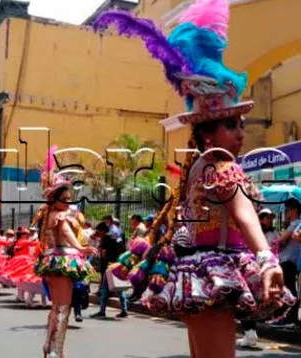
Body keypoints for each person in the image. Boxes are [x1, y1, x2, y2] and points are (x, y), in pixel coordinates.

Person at [95, 1, 295, 356]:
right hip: (215, 270)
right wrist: (266, 257)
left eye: (241, 125)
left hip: (204, 270)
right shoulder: (219, 165)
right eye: (231, 125)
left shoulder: (197, 169)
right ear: (208, 133)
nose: (240, 134)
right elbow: (243, 212)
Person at [35, 146, 95, 357]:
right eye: (66, 200)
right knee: (63, 308)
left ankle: (49, 346)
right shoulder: (59, 216)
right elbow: (67, 232)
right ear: (56, 199)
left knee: (56, 307)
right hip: (63, 259)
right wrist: (81, 247)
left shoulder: (48, 213)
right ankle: (57, 352)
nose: (69, 203)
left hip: (53, 260)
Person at [237, 208, 280, 348]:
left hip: (263, 270)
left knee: (254, 302)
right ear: (260, 219)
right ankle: (249, 332)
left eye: (270, 217)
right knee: (247, 300)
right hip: (250, 269)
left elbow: (274, 251)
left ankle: (250, 332)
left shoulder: (273, 233)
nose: (269, 220)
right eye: (265, 217)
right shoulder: (253, 232)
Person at [270, 198, 300, 328]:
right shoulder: (293, 224)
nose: (285, 212)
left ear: (294, 210)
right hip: (289, 260)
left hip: (290, 261)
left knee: (289, 290)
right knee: (289, 289)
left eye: (287, 209)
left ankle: (289, 317)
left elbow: (280, 241)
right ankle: (287, 316)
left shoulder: (296, 224)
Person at [90, 222, 128, 319]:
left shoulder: (106, 238)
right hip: (119, 264)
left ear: (102, 231)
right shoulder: (117, 235)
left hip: (110, 266)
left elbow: (103, 253)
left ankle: (102, 311)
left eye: (98, 232)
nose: (98, 234)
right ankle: (124, 309)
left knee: (105, 289)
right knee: (120, 288)